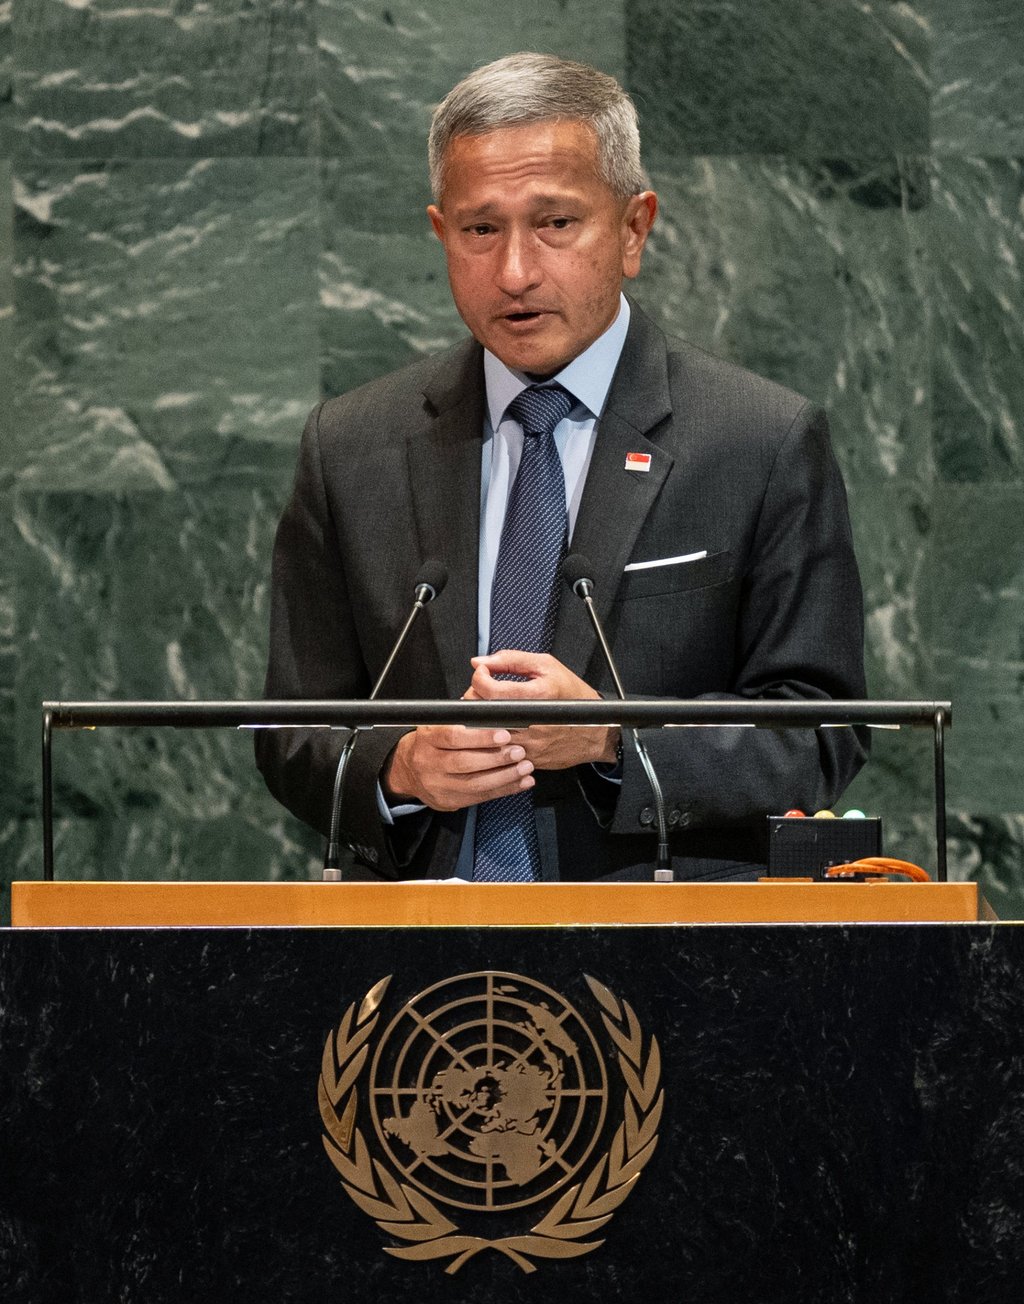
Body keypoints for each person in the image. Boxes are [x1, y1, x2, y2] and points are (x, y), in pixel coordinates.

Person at [256, 52, 868, 883]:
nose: (514, 271)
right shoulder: (351, 445)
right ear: (440, 235)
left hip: (664, 946)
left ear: (633, 229)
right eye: (481, 230)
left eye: (555, 223)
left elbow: (822, 726)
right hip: (416, 964)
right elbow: (290, 728)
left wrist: (614, 736)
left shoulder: (758, 441)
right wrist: (397, 771)